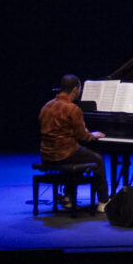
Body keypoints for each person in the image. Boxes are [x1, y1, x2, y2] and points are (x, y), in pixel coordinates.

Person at [38, 74, 109, 213]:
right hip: (65, 153)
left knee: (79, 157)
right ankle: (103, 202)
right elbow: (82, 136)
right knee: (97, 160)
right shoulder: (73, 108)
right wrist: (92, 135)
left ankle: (68, 197)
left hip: (46, 154)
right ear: (76, 90)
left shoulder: (46, 106)